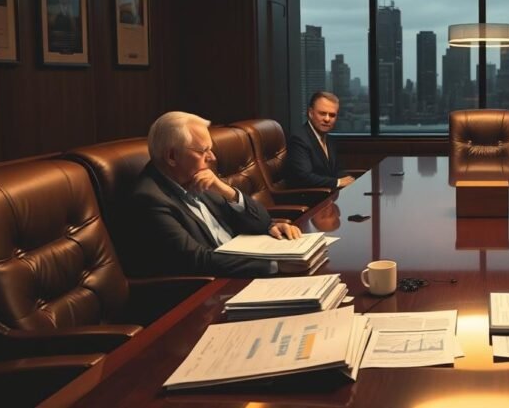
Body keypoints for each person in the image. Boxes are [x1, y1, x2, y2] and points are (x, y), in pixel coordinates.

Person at [127, 111, 305, 277]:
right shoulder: (149, 198)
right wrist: (274, 265)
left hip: (238, 269)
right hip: (212, 287)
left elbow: (262, 221)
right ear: (172, 157)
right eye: (203, 151)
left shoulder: (195, 176)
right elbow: (197, 259)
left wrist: (226, 191)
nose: (212, 157)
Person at [285, 91, 355, 189]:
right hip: (309, 198)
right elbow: (304, 177)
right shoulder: (299, 139)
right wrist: (338, 182)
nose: (327, 119)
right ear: (311, 113)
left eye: (332, 115)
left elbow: (335, 170)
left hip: (329, 195)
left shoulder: (329, 139)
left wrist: (351, 181)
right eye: (322, 113)